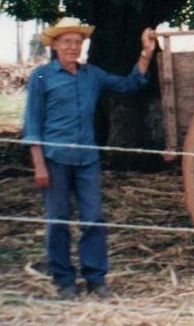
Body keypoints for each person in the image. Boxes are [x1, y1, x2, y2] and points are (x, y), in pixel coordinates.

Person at [22, 17, 156, 300]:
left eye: (78, 42)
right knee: (58, 220)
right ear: (55, 45)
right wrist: (39, 165)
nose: (73, 47)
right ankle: (64, 281)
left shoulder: (92, 75)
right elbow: (32, 124)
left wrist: (147, 52)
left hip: (87, 160)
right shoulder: (42, 76)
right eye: (67, 42)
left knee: (93, 219)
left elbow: (130, 85)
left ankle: (96, 279)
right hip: (55, 159)